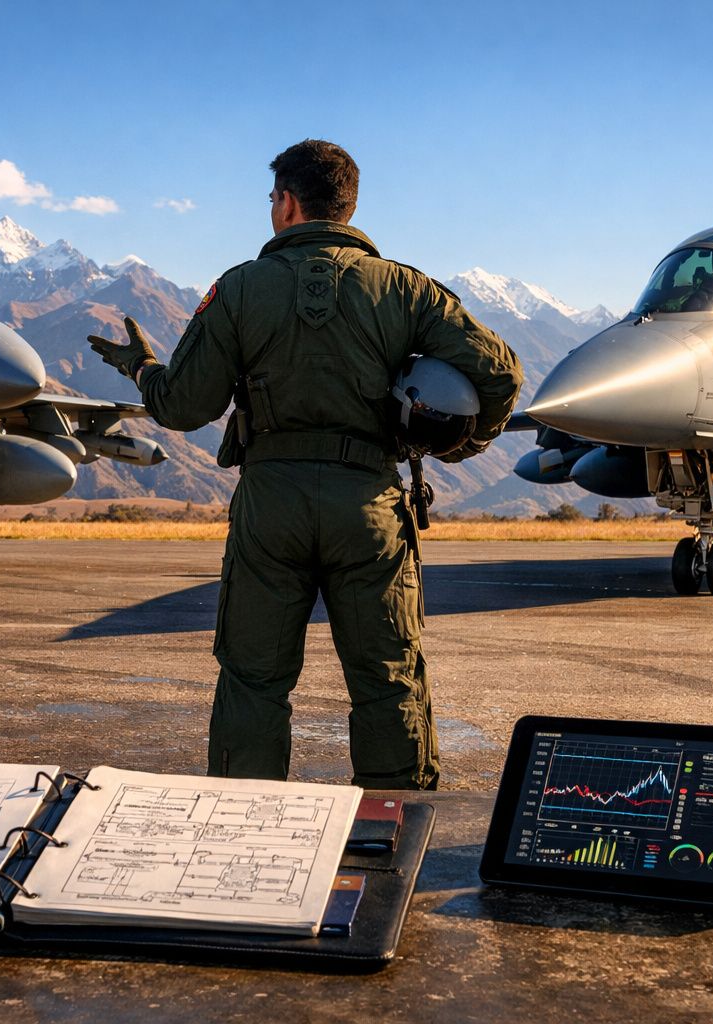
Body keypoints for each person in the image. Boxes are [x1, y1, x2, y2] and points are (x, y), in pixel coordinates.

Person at [88, 140, 522, 790]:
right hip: (369, 508)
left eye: (272, 199)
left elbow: (181, 405)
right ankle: (391, 836)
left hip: (271, 509)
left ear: (287, 203)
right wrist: (459, 444)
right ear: (347, 206)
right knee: (387, 679)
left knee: (253, 682)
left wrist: (142, 368)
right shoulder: (406, 289)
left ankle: (245, 834)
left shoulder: (237, 290)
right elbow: (501, 374)